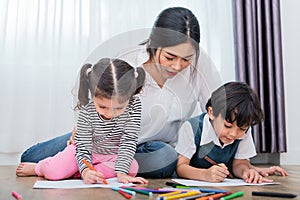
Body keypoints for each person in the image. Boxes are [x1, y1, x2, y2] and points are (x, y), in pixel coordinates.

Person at [16, 58, 148, 184]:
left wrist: (122, 173)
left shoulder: (134, 105)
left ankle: (76, 172)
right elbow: (83, 147)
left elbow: (128, 140)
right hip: (85, 150)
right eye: (102, 107)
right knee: (53, 172)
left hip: (112, 154)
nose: (109, 114)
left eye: (118, 108)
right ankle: (39, 167)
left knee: (131, 167)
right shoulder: (87, 109)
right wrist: (85, 170)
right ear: (92, 95)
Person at [175, 82, 288, 183]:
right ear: (211, 112)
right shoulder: (192, 128)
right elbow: (181, 167)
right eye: (227, 126)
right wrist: (205, 175)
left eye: (242, 129)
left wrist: (245, 172)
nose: (233, 134)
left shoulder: (244, 130)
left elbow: (239, 163)